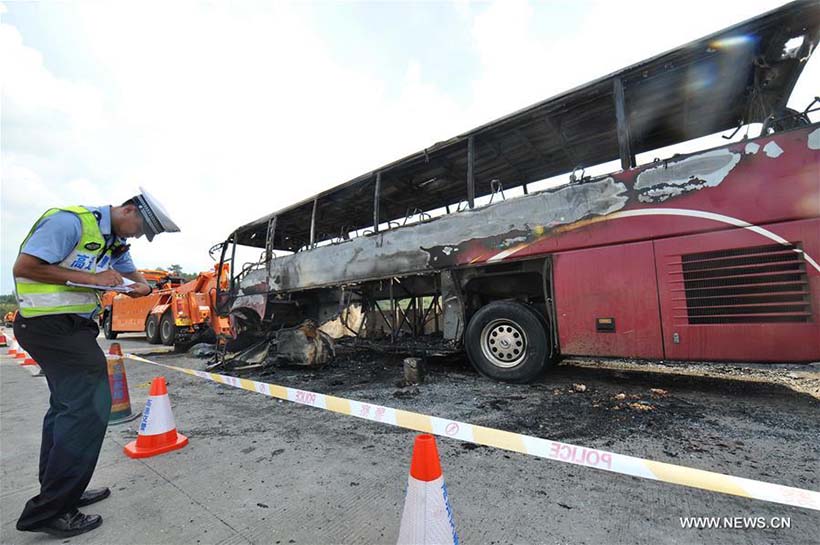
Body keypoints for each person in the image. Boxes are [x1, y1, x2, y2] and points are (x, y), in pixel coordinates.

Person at [12, 188, 180, 538]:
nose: (138, 236)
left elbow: (136, 279)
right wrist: (94, 280)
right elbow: (25, 267)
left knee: (65, 408)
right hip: (49, 327)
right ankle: (52, 509)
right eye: (141, 228)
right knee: (87, 409)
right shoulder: (69, 222)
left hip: (73, 328)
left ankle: (60, 493)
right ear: (129, 210)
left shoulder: (115, 244)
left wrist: (142, 288)